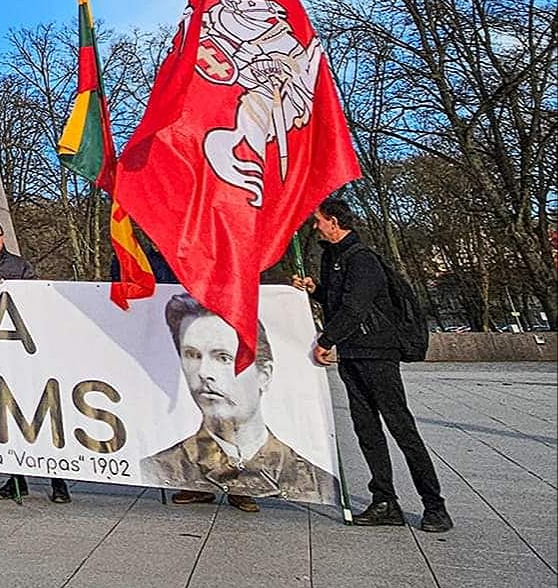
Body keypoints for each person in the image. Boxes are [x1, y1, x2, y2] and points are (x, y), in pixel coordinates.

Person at [301, 194, 451, 533]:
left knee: (401, 427)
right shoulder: (334, 258)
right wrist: (316, 290)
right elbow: (340, 301)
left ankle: (435, 505)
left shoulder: (363, 260)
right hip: (354, 354)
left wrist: (326, 341)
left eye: (318, 220)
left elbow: (356, 308)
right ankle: (384, 501)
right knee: (366, 429)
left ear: (334, 223)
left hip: (378, 353)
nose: (315, 226)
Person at [143, 294, 333, 510]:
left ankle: (240, 489)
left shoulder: (315, 480)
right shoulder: (157, 467)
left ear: (264, 374)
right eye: (192, 355)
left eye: (223, 357)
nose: (204, 373)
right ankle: (202, 487)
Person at [0, 227, 71, 504]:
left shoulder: (19, 265)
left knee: (41, 416)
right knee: (6, 418)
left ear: (3, 237)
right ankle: (17, 478)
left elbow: (36, 300)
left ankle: (58, 480)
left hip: (25, 353)